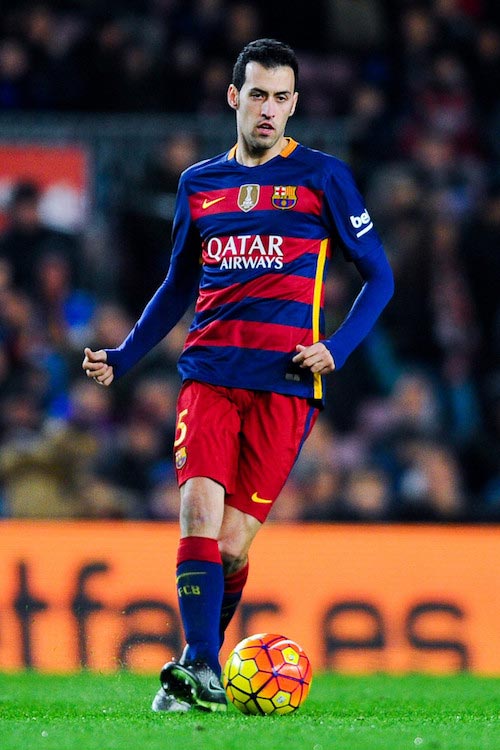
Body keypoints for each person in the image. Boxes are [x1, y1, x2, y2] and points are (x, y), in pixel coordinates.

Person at [82, 38, 394, 713]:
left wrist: (336, 349)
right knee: (196, 508)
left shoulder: (323, 177)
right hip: (209, 374)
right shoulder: (199, 183)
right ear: (234, 97)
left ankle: (203, 665)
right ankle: (199, 664)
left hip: (285, 384)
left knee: (229, 547)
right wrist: (124, 357)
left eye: (283, 97)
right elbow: (176, 286)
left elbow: (381, 276)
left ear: (295, 105)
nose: (270, 109)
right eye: (258, 94)